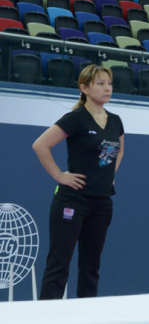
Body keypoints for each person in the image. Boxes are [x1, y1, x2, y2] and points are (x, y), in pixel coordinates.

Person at [33, 64, 124, 299]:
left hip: (102, 203)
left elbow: (119, 150)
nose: (107, 88)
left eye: (109, 83)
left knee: (91, 268)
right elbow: (40, 145)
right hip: (72, 200)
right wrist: (59, 176)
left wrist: (109, 173)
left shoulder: (115, 121)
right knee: (58, 266)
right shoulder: (75, 118)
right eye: (100, 84)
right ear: (84, 88)